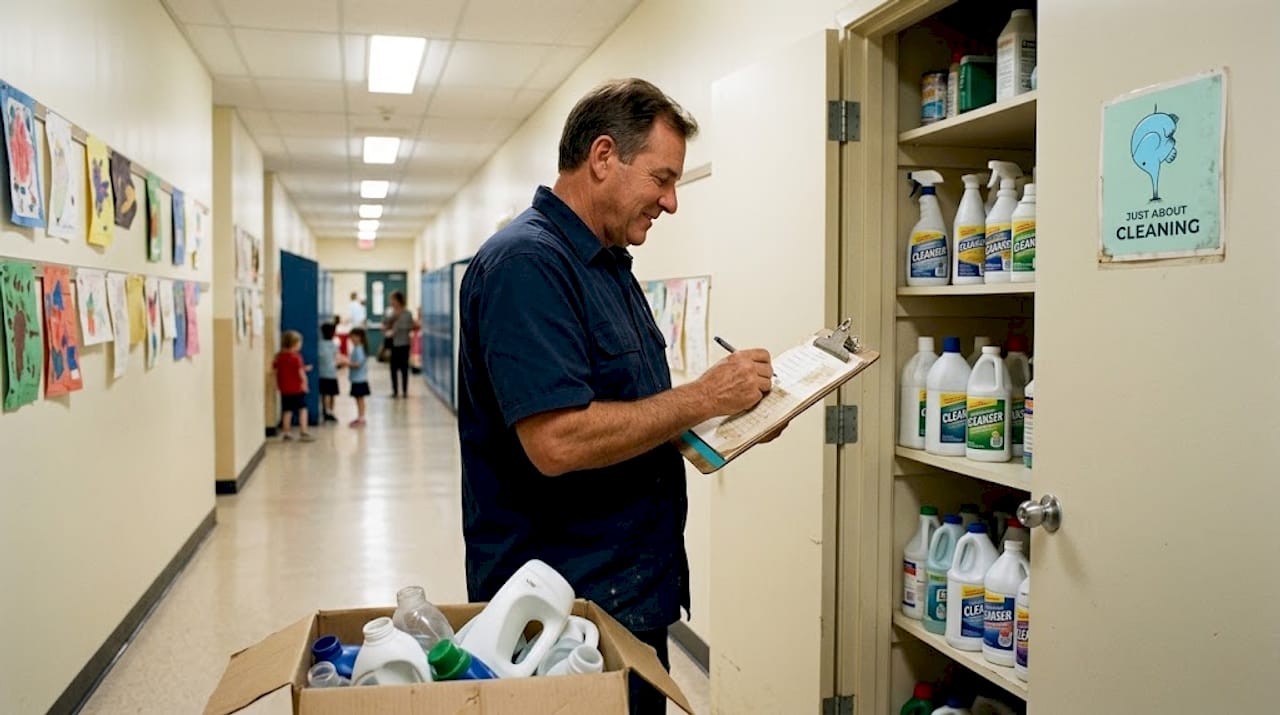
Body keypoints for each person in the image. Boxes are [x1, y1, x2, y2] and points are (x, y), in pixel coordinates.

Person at [456, 78, 777, 714]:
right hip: (561, 616)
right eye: (662, 178)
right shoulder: (527, 264)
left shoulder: (606, 267)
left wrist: (737, 417)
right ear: (604, 157)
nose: (672, 202)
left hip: (630, 596)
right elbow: (556, 441)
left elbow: (638, 415)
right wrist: (703, 396)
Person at [273, 330, 315, 442]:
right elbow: (300, 373)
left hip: (285, 389)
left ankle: (286, 432)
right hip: (297, 389)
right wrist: (305, 384)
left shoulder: (279, 357)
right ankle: (304, 431)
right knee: (302, 409)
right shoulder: (296, 357)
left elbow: (277, 370)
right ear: (294, 344)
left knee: (287, 410)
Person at [382, 290, 419, 397]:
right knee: (393, 368)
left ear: (398, 300)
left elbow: (411, 326)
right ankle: (395, 391)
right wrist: (389, 326)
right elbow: (384, 325)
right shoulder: (390, 312)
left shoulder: (407, 313)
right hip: (393, 344)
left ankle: (405, 391)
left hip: (404, 344)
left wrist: (398, 328)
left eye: (393, 299)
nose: (391, 302)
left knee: (404, 368)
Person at [345, 327, 370, 427]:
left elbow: (358, 364)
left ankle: (361, 418)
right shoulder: (358, 348)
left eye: (353, 337)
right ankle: (360, 417)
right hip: (357, 378)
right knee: (358, 399)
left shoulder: (359, 349)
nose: (351, 339)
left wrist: (346, 363)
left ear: (359, 338)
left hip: (359, 379)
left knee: (360, 400)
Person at [317, 321, 339, 423]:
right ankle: (330, 412)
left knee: (324, 394)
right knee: (332, 394)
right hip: (331, 373)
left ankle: (325, 411)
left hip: (322, 373)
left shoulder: (319, 345)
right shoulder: (334, 345)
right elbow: (336, 358)